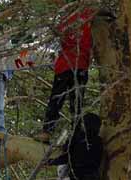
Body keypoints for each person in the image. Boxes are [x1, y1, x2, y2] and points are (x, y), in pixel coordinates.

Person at [36, 5, 96, 141]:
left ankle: (73, 134)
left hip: (78, 64)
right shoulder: (66, 18)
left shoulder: (86, 12)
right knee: (61, 100)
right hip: (67, 65)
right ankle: (48, 132)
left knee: (72, 102)